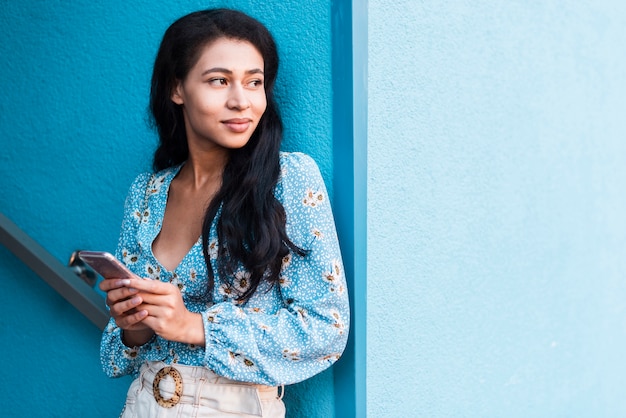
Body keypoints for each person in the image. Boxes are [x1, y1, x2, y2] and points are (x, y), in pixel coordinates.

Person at [98, 8, 349, 418]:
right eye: (219, 80)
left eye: (255, 82)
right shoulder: (147, 193)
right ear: (177, 88)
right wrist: (134, 324)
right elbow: (122, 350)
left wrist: (194, 327)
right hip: (145, 403)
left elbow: (327, 328)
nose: (241, 101)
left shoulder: (288, 178)